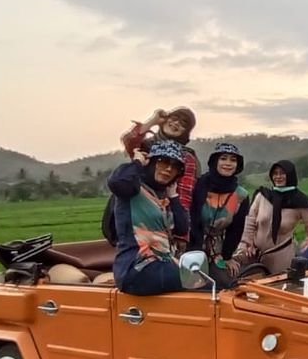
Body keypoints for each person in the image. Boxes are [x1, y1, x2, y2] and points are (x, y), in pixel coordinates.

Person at [103, 107, 200, 249]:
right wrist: (153, 121)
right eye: (174, 118)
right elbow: (129, 141)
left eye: (183, 123)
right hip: (132, 207)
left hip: (161, 214)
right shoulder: (146, 147)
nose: (176, 123)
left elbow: (184, 195)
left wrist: (181, 234)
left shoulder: (186, 157)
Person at [107, 139, 190, 295]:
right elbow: (117, 182)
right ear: (150, 162)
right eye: (163, 162)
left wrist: (174, 197)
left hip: (162, 264)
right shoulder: (133, 189)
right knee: (197, 280)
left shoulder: (163, 197)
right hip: (137, 268)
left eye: (175, 167)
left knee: (210, 282)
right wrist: (137, 162)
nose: (168, 169)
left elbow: (182, 227)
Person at [232, 160, 308, 275]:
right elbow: (250, 222)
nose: (278, 177)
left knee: (278, 288)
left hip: (281, 258)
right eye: (275, 173)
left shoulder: (300, 201)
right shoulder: (263, 196)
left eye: (282, 173)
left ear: (290, 175)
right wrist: (246, 245)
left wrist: (306, 251)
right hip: (254, 255)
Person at [189, 142, 250, 285]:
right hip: (191, 245)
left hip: (218, 250)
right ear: (215, 161)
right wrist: (194, 251)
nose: (228, 163)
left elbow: (236, 230)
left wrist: (227, 256)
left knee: (224, 282)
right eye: (223, 158)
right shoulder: (197, 185)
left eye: (233, 160)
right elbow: (191, 217)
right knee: (190, 283)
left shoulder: (241, 195)